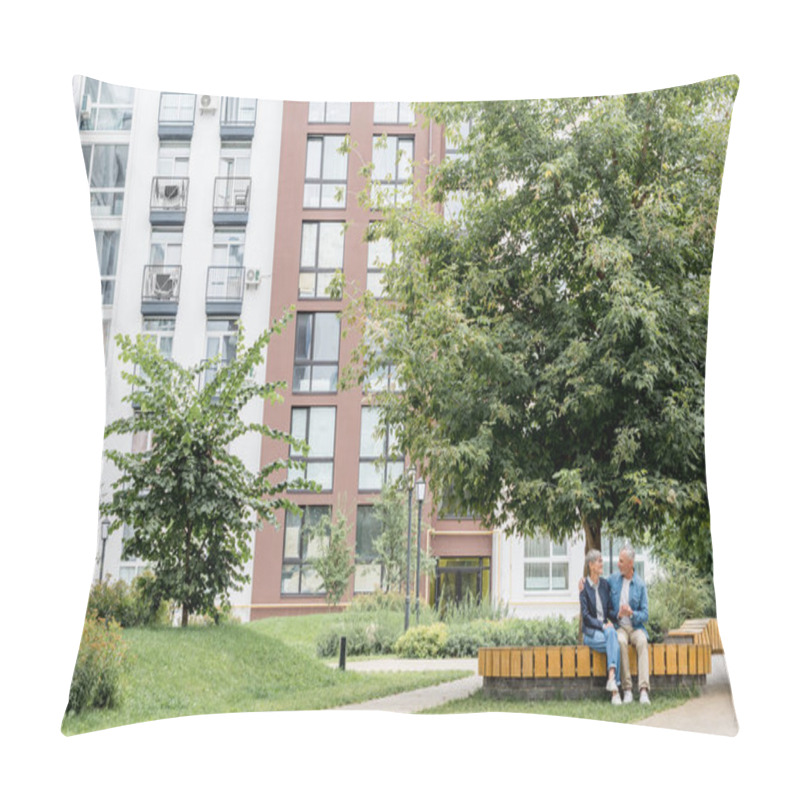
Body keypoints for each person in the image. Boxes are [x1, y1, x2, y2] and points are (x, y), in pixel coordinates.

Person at [607, 545, 650, 704]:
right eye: (618, 560)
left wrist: (631, 613)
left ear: (630, 563)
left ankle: (644, 690)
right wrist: (586, 581)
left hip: (636, 627)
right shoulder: (613, 580)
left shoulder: (639, 584)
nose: (618, 564)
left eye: (621, 561)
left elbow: (645, 614)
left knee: (642, 642)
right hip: (620, 627)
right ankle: (627, 689)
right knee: (620, 642)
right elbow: (599, 585)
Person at [579, 549, 621, 705]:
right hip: (591, 634)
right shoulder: (583, 588)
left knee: (612, 638)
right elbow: (586, 617)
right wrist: (603, 625)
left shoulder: (604, 584)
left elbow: (609, 609)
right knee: (614, 640)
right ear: (591, 565)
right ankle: (614, 688)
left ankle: (613, 684)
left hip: (605, 633)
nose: (602, 564)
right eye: (599, 561)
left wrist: (618, 615)